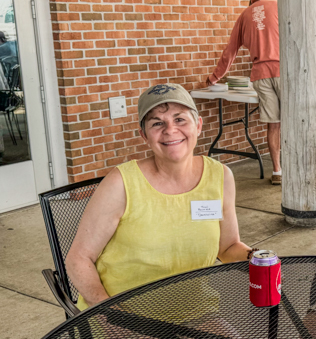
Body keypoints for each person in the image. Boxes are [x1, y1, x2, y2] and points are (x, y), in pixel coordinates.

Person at [65, 84, 252, 310]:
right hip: (124, 314)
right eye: (157, 123)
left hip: (195, 309)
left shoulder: (220, 176)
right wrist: (110, 315)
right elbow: (78, 259)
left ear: (198, 125)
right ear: (144, 135)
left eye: (180, 119)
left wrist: (258, 258)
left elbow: (228, 247)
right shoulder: (121, 183)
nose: (170, 130)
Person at [206, 0, 282, 185]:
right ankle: (298, 168)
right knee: (296, 122)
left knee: (273, 124)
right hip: (284, 71)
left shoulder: (244, 15)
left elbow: (230, 50)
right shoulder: (280, 6)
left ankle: (277, 171)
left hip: (260, 75)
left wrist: (214, 77)